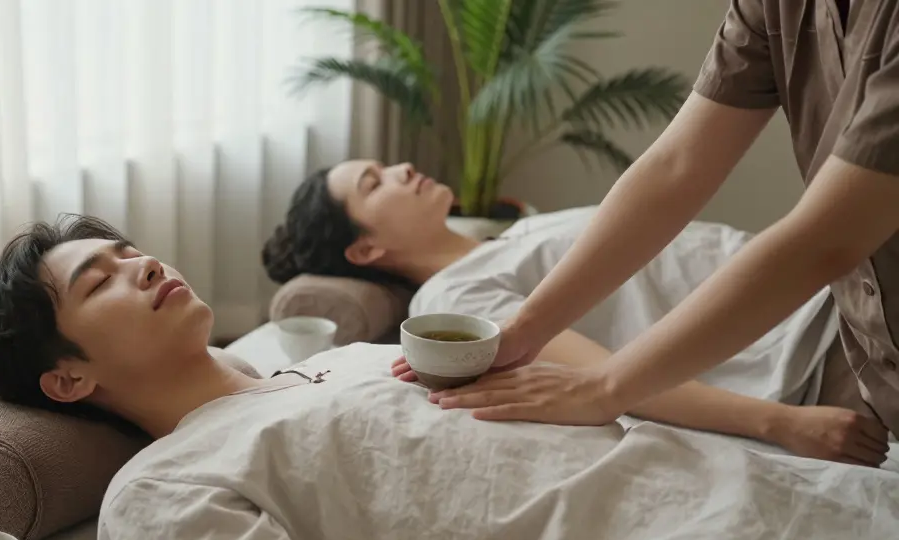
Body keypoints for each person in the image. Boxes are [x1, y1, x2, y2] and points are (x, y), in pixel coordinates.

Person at [0, 215, 899, 540]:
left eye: (128, 250)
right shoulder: (160, 494)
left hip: (779, 499)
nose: (141, 264)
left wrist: (777, 430)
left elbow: (576, 382)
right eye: (100, 281)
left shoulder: (349, 360)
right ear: (68, 376)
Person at [407, 0, 899, 442]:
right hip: (855, 350)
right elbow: (675, 168)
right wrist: (524, 332)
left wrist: (606, 387)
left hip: (813, 332)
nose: (403, 170)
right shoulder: (455, 293)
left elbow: (827, 238)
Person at [263, 160, 890, 465]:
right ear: (366, 248)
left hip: (833, 287)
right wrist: (780, 423)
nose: (400, 167)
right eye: (374, 183)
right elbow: (602, 377)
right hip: (815, 343)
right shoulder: (454, 298)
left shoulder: (505, 236)